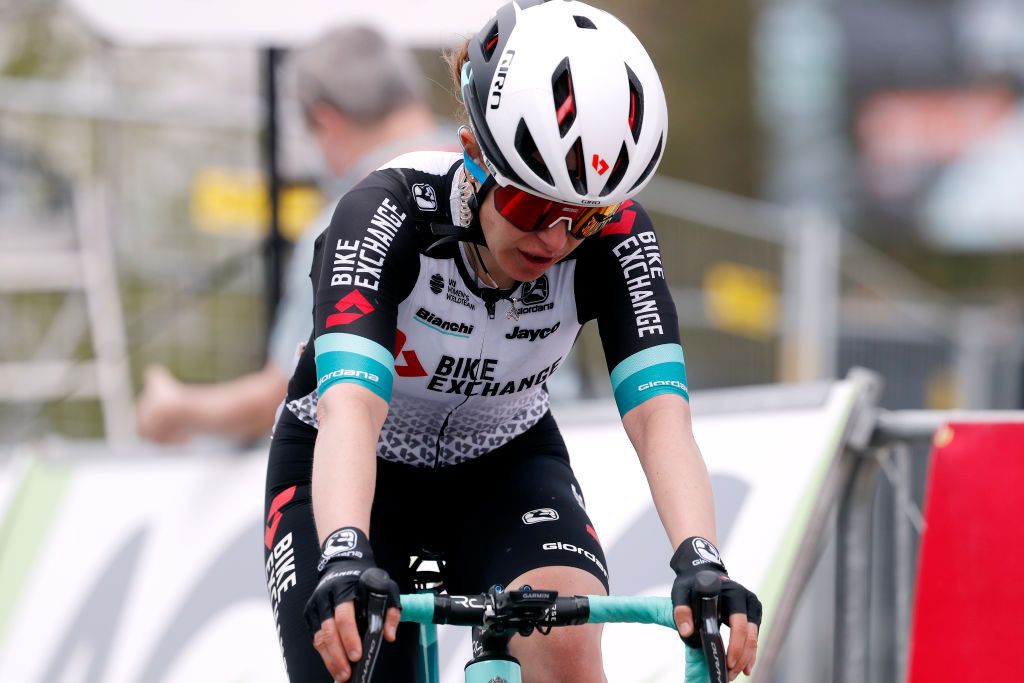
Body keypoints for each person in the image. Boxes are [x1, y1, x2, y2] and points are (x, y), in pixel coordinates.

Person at [263, 2, 762, 681]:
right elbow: (351, 404)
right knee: (355, 659)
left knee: (566, 642)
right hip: (357, 463)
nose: (553, 241)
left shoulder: (617, 238)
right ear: (475, 156)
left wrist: (702, 557)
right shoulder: (383, 213)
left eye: (583, 218)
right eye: (531, 208)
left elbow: (658, 414)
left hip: (502, 460)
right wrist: (347, 547)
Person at [135, 25, 453, 444]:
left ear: (326, 119)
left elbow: (289, 391)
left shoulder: (347, 222)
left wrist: (178, 408)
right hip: (543, 443)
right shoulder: (501, 176)